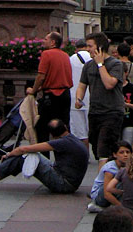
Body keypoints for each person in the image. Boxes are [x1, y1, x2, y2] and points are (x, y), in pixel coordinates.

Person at [0, 117, 87, 193]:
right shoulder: (72, 139)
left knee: (24, 156)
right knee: (30, 154)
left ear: (52, 135)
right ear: (65, 127)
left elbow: (23, 149)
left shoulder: (62, 142)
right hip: (69, 180)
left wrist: (9, 155)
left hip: (64, 184)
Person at [76, 32, 126, 165]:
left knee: (104, 147)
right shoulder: (88, 65)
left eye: (90, 46)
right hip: (94, 112)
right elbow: (82, 85)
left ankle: (102, 182)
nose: (87, 49)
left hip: (112, 112)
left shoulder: (115, 64)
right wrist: (78, 99)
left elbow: (109, 84)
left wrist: (100, 65)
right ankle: (111, 173)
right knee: (96, 146)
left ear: (100, 47)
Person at [28, 31, 74, 142]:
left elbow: (41, 76)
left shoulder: (47, 54)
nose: (43, 41)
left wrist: (33, 90)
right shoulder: (65, 55)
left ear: (53, 42)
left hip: (51, 96)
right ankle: (65, 152)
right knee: (63, 126)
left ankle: (44, 157)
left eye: (46, 39)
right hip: (65, 94)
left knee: (42, 127)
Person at [89, 141, 133, 211]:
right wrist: (122, 208)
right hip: (100, 196)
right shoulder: (110, 168)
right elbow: (107, 193)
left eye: (127, 152)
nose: (125, 155)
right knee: (120, 182)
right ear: (115, 155)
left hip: (113, 193)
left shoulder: (127, 165)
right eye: (121, 152)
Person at [71, 38, 94, 149]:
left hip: (75, 97)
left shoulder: (71, 59)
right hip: (92, 97)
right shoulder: (94, 58)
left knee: (80, 131)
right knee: (92, 127)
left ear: (76, 49)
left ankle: (84, 154)